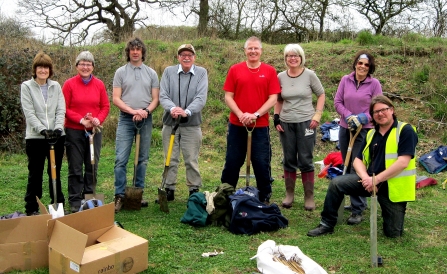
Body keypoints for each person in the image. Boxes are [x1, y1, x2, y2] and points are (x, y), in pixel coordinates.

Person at [307, 95, 418, 238]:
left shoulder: (405, 130)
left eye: (384, 110)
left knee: (393, 234)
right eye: (376, 112)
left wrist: (376, 180)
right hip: (369, 181)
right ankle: (327, 224)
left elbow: (403, 162)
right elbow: (357, 161)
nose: (380, 114)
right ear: (372, 115)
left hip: (392, 186)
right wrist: (367, 178)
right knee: (336, 183)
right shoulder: (371, 133)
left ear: (392, 110)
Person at [220, 36, 281, 204]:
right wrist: (240, 114)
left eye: (256, 48)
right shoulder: (235, 70)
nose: (253, 51)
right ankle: (225, 193)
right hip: (237, 125)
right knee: (233, 161)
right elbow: (228, 96)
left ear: (261, 51)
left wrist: (255, 115)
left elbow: (273, 98)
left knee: (261, 162)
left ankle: (264, 196)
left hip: (259, 126)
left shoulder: (269, 71)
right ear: (245, 51)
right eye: (250, 48)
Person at [274, 44, 325, 211]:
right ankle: (289, 194)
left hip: (307, 122)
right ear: (285, 59)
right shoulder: (280, 76)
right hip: (286, 122)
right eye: (289, 56)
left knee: (305, 157)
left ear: (301, 57)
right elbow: (279, 99)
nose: (292, 58)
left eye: (295, 56)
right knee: (289, 158)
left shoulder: (310, 75)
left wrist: (317, 115)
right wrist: (276, 118)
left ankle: (309, 196)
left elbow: (321, 94)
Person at [334, 50, 383, 225]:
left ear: (370, 67)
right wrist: (349, 116)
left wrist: (362, 118)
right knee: (345, 164)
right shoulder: (345, 80)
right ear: (355, 63)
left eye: (366, 64)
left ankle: (358, 208)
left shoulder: (374, 83)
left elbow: (378, 106)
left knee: (358, 165)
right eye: (360, 63)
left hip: (365, 130)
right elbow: (337, 102)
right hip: (345, 128)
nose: (362, 66)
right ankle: (349, 200)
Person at [112, 37, 160, 213]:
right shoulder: (120, 72)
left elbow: (156, 98)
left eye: (138, 49)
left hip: (145, 119)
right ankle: (120, 196)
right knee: (120, 159)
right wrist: (133, 112)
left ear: (142, 52)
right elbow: (116, 98)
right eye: (132, 49)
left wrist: (145, 111)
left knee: (142, 159)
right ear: (128, 52)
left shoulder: (151, 73)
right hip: (126, 119)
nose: (135, 52)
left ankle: (137, 195)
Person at [62, 51, 110, 213]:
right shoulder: (69, 84)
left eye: (88, 64)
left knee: (92, 165)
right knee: (75, 167)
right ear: (76, 66)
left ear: (93, 67)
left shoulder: (99, 85)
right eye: (82, 64)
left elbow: (105, 106)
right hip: (74, 131)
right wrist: (81, 119)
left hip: (94, 132)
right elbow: (65, 108)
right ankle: (75, 200)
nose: (85, 67)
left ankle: (89, 197)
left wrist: (97, 119)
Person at [158, 44, 208, 200]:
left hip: (191, 124)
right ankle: (169, 188)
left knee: (191, 158)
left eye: (190, 54)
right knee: (170, 158)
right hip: (170, 123)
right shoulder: (168, 72)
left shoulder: (201, 73)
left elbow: (201, 97)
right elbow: (163, 95)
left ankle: (194, 189)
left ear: (194, 57)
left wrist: (186, 111)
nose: (186, 57)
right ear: (178, 57)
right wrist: (172, 108)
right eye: (183, 54)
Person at [20, 51, 66, 216]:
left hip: (56, 137)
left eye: (46, 68)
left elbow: (61, 109)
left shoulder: (56, 86)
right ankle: (32, 207)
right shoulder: (27, 87)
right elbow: (29, 112)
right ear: (35, 69)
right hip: (36, 138)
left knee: (55, 172)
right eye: (40, 67)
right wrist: (42, 130)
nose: (43, 71)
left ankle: (58, 206)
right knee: (35, 174)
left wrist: (58, 128)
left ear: (50, 70)